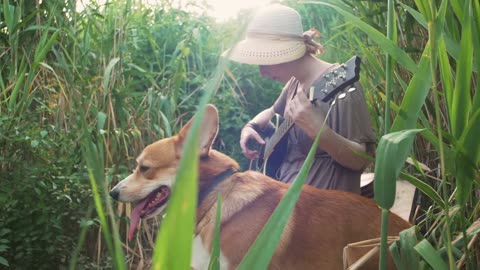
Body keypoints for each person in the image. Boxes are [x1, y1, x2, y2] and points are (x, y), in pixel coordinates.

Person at [223, 4, 376, 194]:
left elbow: (361, 161)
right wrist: (251, 127)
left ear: (285, 52)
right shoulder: (293, 84)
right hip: (285, 199)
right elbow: (272, 111)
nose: (262, 73)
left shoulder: (344, 87)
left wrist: (317, 130)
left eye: (264, 62)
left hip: (323, 212)